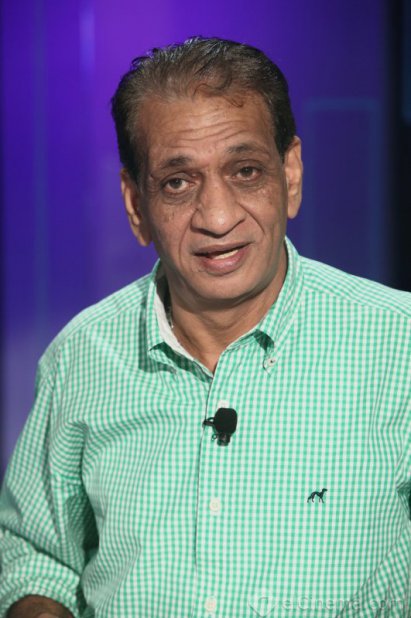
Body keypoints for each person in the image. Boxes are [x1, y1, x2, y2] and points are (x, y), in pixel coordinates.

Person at [0, 36, 410, 618]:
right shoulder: (82, 356)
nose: (217, 218)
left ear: (291, 174)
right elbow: (35, 556)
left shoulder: (399, 346)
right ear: (136, 205)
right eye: (178, 182)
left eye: (246, 171)